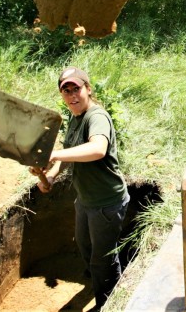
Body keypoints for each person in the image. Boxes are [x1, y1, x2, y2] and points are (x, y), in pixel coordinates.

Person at [30, 66, 130, 310]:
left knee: (103, 261)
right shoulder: (75, 119)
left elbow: (97, 149)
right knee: (85, 247)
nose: (72, 95)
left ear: (88, 89)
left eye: (77, 89)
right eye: (66, 91)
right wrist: (52, 175)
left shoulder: (96, 116)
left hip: (107, 202)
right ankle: (98, 284)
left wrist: (52, 154)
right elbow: (69, 155)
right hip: (85, 200)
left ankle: (108, 303)